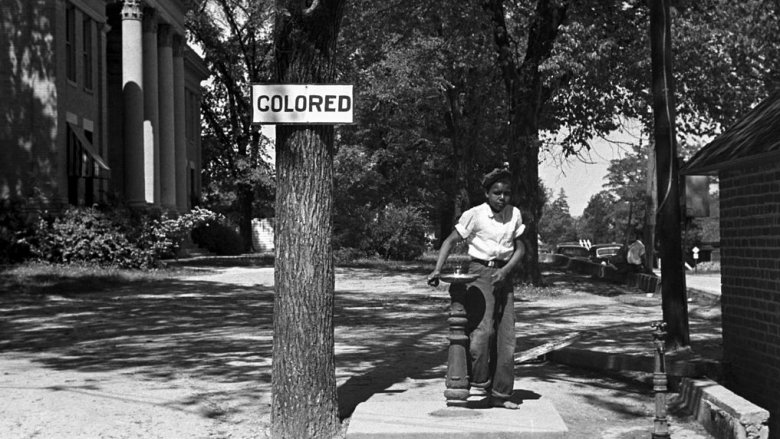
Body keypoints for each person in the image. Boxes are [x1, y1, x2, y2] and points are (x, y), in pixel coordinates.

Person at [427, 168, 526, 409]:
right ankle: (478, 381)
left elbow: (521, 248)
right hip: (479, 273)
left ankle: (500, 394)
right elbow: (450, 241)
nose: (502, 198)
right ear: (487, 193)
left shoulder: (515, 215)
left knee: (506, 337)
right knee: (482, 334)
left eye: (506, 193)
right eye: (496, 193)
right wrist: (437, 270)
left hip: (505, 274)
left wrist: (506, 271)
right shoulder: (475, 215)